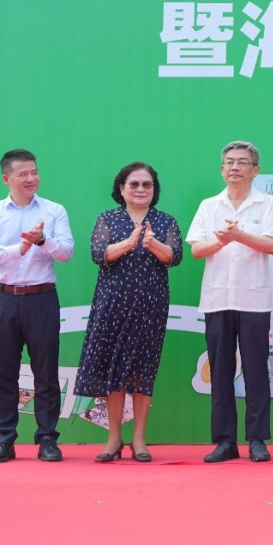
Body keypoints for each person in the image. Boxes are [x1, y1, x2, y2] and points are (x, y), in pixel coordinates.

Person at [73, 163, 183, 463]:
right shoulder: (108, 219)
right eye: (134, 184)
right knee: (114, 369)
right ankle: (114, 438)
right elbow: (99, 254)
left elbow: (174, 257)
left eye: (147, 184)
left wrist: (152, 243)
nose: (140, 189)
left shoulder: (165, 221)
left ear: (154, 190)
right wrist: (128, 243)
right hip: (112, 305)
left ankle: (139, 439)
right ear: (121, 188)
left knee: (143, 369)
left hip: (151, 305)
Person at [0, 149, 75, 463]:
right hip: (3, 299)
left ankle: (47, 439)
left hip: (42, 298)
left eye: (34, 172)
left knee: (46, 372)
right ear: (7, 179)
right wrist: (19, 248)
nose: (31, 178)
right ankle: (5, 440)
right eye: (23, 174)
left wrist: (42, 240)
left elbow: (66, 252)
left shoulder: (54, 210)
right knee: (3, 374)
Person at [186, 141, 273, 463]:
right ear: (222, 169)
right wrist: (222, 241)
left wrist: (240, 235)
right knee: (221, 371)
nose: (235, 167)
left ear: (256, 170)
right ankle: (225, 441)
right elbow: (196, 250)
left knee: (256, 370)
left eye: (242, 162)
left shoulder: (267, 204)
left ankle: (257, 439)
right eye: (229, 162)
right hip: (217, 299)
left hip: (254, 300)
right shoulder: (209, 206)